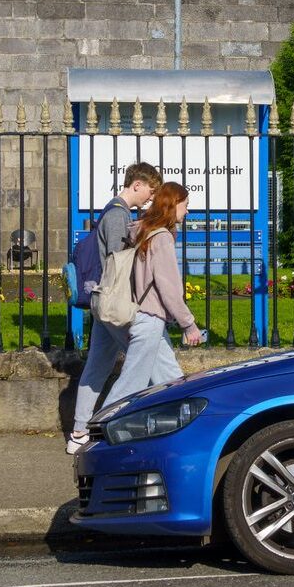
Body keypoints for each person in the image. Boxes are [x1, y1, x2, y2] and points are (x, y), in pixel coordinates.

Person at [65, 162, 162, 455]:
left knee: (97, 367)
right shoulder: (119, 215)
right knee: (148, 360)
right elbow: (122, 262)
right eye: (150, 190)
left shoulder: (110, 210)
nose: (150, 197)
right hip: (114, 303)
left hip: (101, 300)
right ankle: (112, 428)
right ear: (136, 185)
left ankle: (79, 432)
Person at [113, 181, 204, 397]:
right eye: (185, 204)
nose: (188, 210)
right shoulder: (161, 238)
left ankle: (179, 427)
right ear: (173, 204)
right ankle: (101, 427)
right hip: (149, 319)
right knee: (129, 387)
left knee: (172, 382)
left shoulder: (145, 230)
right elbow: (169, 289)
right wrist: (189, 325)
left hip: (145, 317)